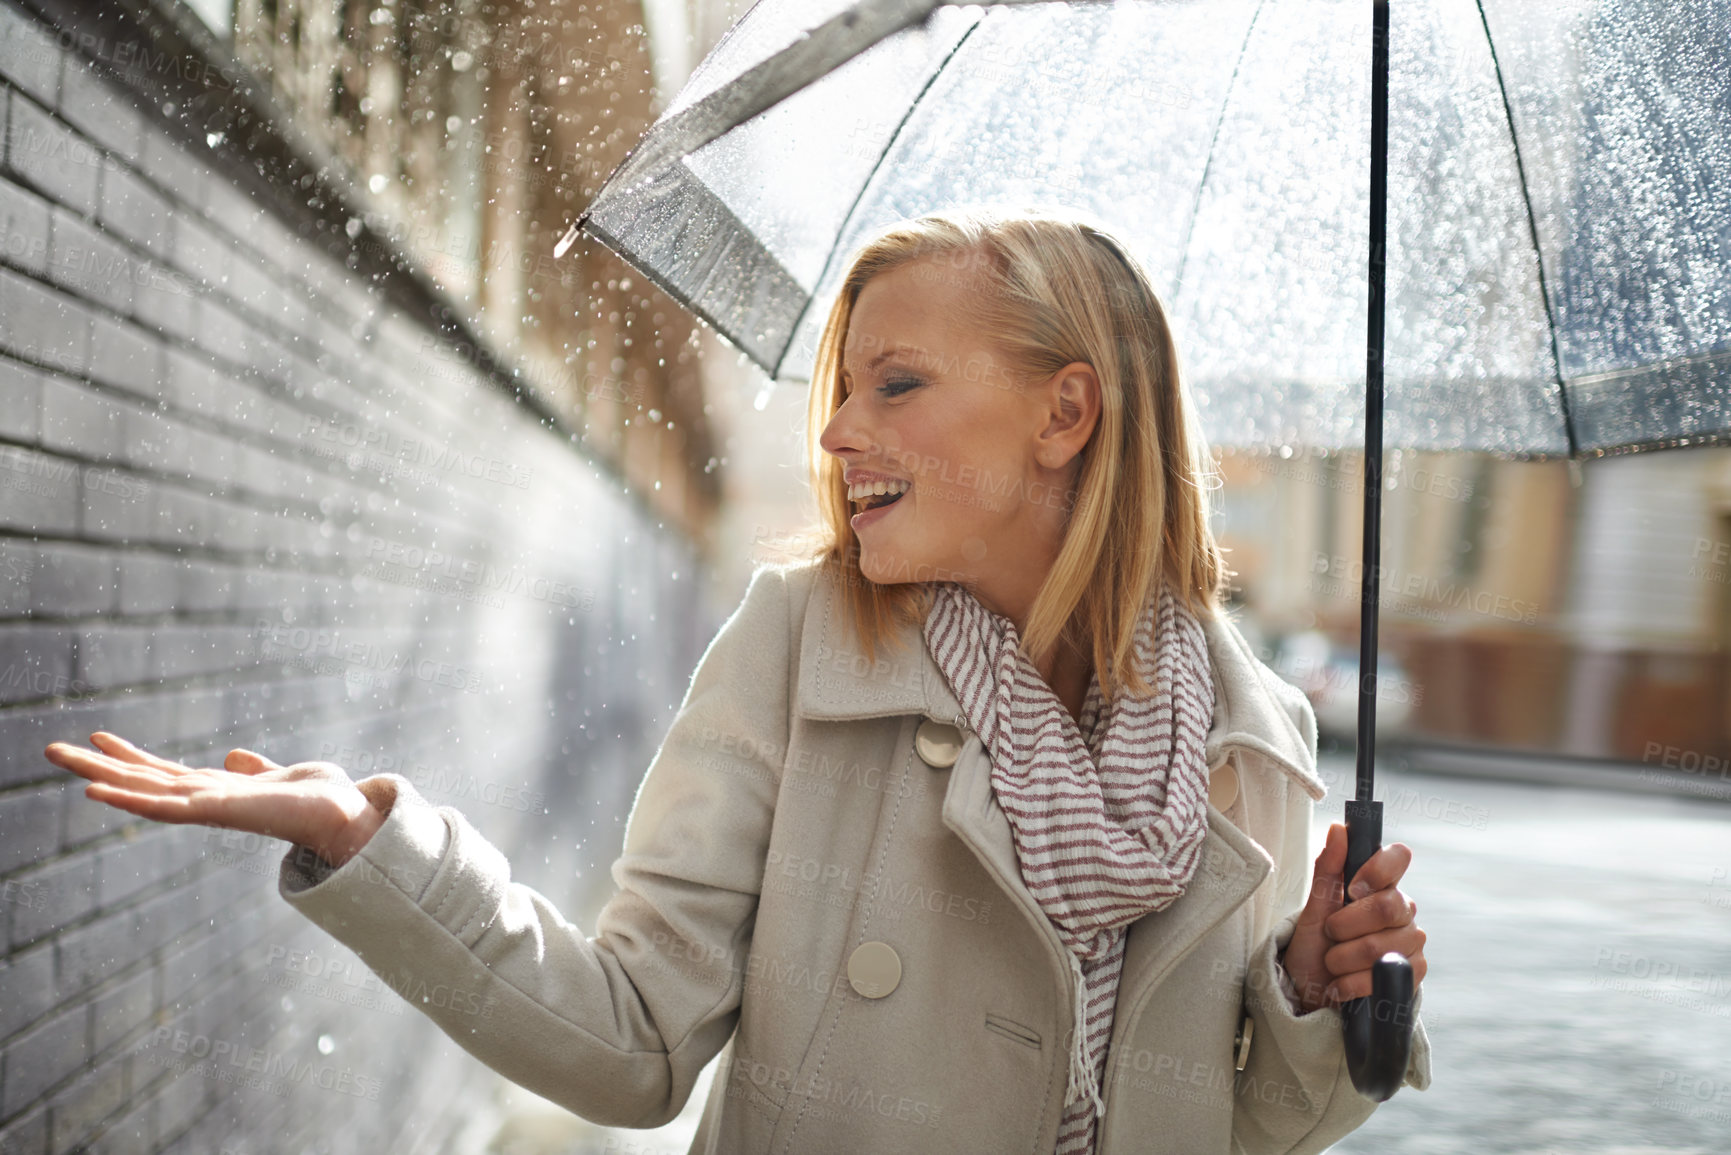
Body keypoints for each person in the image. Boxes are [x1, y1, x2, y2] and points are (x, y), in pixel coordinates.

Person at [44, 206, 1430, 1154]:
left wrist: (1310, 1008)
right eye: (842, 385)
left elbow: (1230, 1131)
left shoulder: (1256, 741)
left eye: (895, 385)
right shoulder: (799, 655)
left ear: (1065, 412)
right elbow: (633, 1044)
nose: (835, 430)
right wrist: (377, 849)